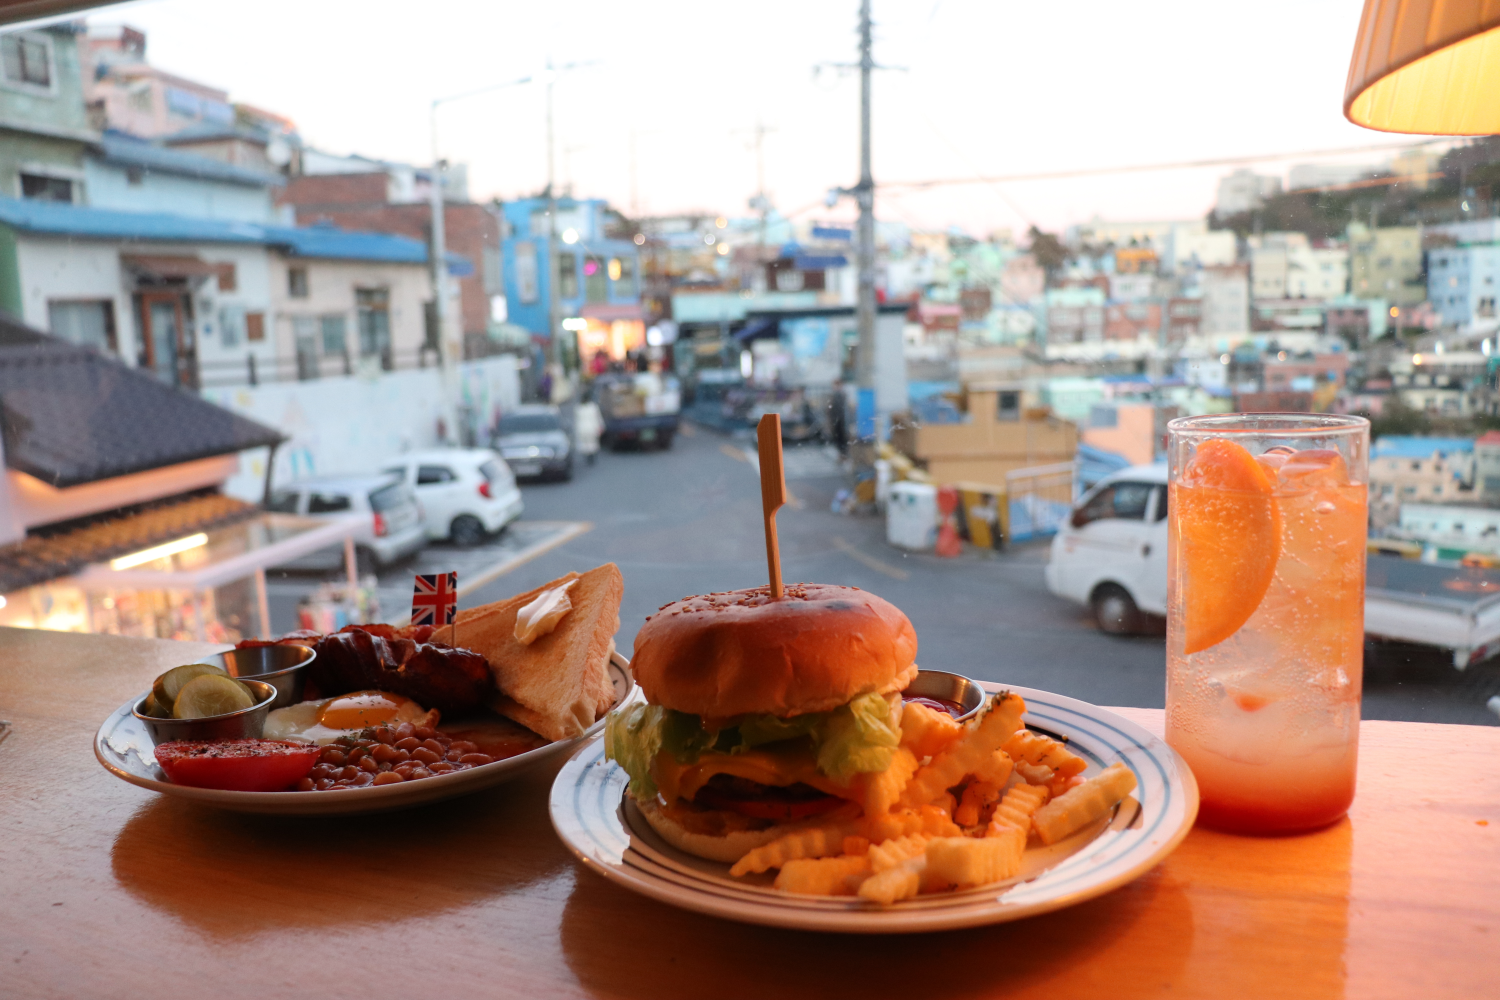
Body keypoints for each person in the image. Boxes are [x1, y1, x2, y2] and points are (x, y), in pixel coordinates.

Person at [574, 391, 603, 465]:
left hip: (582, 428)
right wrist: (600, 427)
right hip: (592, 428)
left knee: (585, 444)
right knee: (592, 444)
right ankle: (591, 457)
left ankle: (587, 457)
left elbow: (576, 420)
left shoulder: (578, 408)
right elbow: (598, 418)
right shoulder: (593, 407)